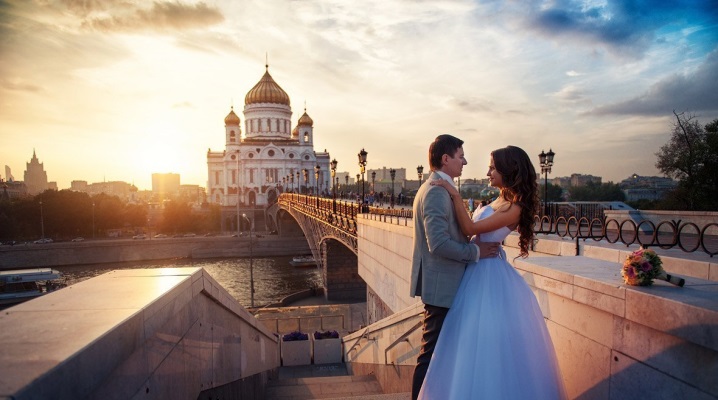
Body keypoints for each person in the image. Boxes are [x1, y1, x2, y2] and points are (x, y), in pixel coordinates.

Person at [418, 145, 566, 399]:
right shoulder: (499, 201)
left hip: (489, 276)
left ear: (508, 171)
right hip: (477, 270)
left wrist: (454, 194)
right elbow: (472, 234)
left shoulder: (514, 207)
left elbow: (469, 227)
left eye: (493, 168)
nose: (488, 172)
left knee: (486, 348)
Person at [410, 134, 499, 400]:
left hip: (444, 283)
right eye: (461, 156)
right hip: (442, 286)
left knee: (439, 352)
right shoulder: (437, 191)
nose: (465, 162)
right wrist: (475, 252)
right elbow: (438, 244)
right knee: (431, 353)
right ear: (446, 159)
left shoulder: (437, 188)